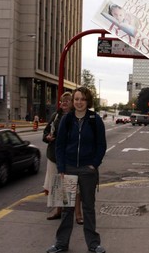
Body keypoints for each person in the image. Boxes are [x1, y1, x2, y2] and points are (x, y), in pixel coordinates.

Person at [46, 87, 107, 253]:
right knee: (66, 209)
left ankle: (93, 244)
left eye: (82, 99)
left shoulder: (95, 120)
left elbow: (101, 145)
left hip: (88, 170)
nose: (79, 102)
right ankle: (61, 244)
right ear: (73, 101)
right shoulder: (67, 119)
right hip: (69, 168)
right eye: (76, 99)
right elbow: (59, 146)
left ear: (88, 101)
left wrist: (94, 164)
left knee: (88, 208)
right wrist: (61, 168)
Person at [42, 92, 83, 224]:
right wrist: (47, 137)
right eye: (61, 101)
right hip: (54, 155)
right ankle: (58, 211)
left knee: (75, 185)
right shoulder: (56, 116)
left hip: (70, 156)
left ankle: (78, 214)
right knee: (57, 185)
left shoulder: (76, 117)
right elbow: (46, 131)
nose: (63, 103)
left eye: (66, 100)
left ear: (72, 103)